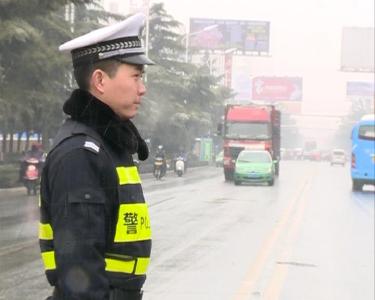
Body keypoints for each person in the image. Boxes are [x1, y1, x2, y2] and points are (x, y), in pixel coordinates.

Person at [39, 13, 154, 300]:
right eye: (136, 76)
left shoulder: (108, 144)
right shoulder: (80, 154)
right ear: (100, 81)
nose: (143, 88)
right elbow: (80, 271)